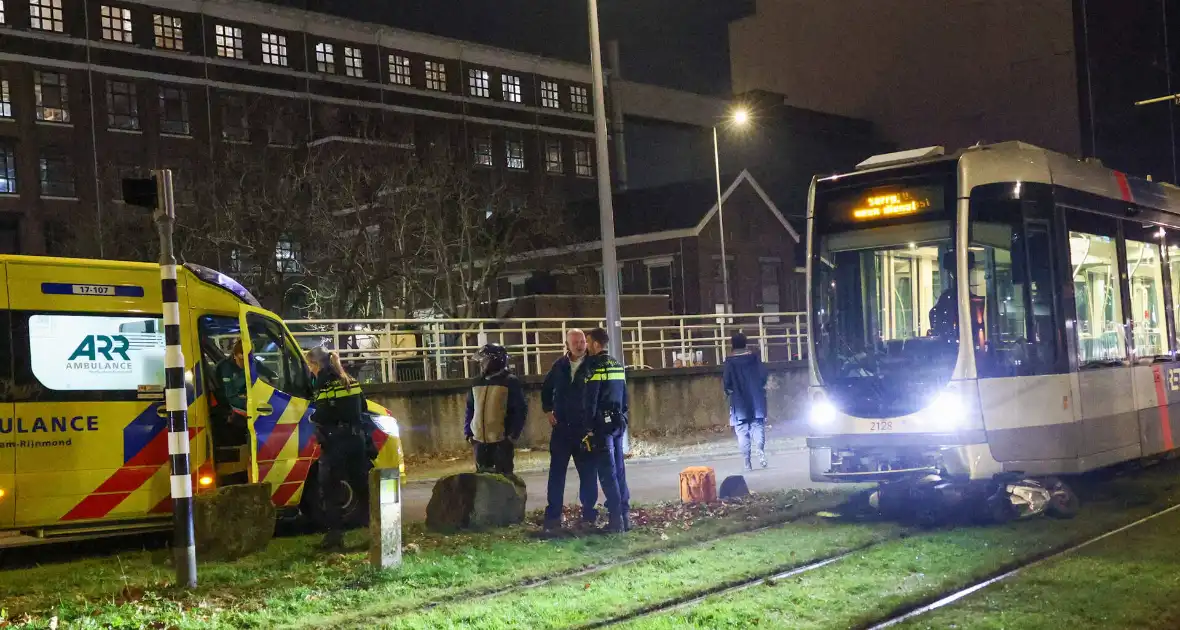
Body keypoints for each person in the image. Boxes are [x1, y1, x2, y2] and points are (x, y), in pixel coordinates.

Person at [307, 346, 369, 550]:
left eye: (310, 366)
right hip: (356, 440)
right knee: (363, 489)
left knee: (330, 489)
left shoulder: (324, 384)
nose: (310, 370)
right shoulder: (351, 380)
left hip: (335, 442)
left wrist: (313, 417)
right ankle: (378, 531)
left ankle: (334, 539)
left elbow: (323, 414)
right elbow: (364, 408)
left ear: (316, 364)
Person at [540, 329, 598, 531]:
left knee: (588, 473)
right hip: (562, 428)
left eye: (582, 341)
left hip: (584, 429)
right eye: (575, 342)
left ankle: (589, 514)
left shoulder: (594, 364)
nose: (580, 345)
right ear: (567, 344)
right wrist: (548, 410)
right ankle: (553, 515)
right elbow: (546, 389)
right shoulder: (560, 366)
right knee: (557, 473)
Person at [581, 328, 630, 533]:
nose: (586, 347)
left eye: (588, 342)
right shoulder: (617, 365)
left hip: (601, 426)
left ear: (595, 344)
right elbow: (624, 396)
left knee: (607, 473)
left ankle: (616, 520)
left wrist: (588, 428)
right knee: (619, 470)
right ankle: (625, 517)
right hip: (618, 422)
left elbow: (591, 401)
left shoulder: (594, 367)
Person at [465, 344, 527, 475]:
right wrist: (468, 433)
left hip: (501, 442)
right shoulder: (477, 382)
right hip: (479, 442)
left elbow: (520, 411)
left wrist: (511, 437)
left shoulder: (510, 382)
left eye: (484, 360)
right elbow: (470, 408)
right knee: (483, 483)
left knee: (503, 482)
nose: (481, 364)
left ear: (494, 361)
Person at [723, 333, 770, 471]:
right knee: (757, 425)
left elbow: (727, 382)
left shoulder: (730, 362)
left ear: (732, 344)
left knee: (742, 430)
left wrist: (728, 391)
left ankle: (747, 461)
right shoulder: (754, 358)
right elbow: (763, 376)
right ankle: (760, 450)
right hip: (756, 398)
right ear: (745, 343)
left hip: (739, 401)